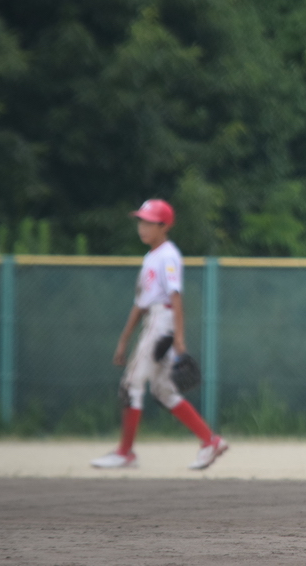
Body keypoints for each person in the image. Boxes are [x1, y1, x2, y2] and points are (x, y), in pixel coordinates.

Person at [91, 199, 228, 470]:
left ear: (164, 226)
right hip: (154, 320)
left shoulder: (168, 255)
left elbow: (176, 297)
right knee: (163, 390)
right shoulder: (151, 257)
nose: (142, 227)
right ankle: (210, 441)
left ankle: (125, 453)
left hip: (161, 321)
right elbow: (140, 304)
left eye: (149, 222)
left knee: (131, 384)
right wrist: (124, 340)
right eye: (141, 221)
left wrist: (179, 340)